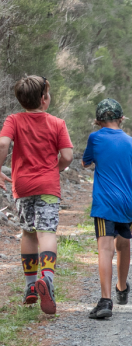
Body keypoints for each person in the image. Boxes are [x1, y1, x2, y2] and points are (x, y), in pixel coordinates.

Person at [0, 75, 73, 315]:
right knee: (47, 232)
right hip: (48, 186)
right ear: (44, 99)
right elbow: (68, 156)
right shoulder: (57, 123)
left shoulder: (14, 120)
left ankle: (31, 286)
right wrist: (58, 167)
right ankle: (47, 278)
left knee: (28, 233)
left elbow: (3, 144)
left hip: (22, 186)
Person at [81, 99, 132, 319]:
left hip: (105, 203)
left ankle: (105, 300)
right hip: (128, 204)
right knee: (123, 245)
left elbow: (86, 162)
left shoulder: (95, 138)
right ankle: (122, 287)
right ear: (121, 119)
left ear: (98, 121)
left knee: (105, 249)